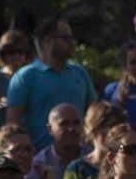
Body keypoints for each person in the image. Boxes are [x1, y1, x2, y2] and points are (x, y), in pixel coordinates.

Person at [6, 19, 98, 151]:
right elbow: (13, 121)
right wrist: (25, 152)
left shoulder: (80, 73)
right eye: (66, 38)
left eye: (71, 38)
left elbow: (94, 112)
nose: (72, 43)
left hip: (79, 156)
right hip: (39, 157)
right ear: (49, 41)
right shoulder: (26, 76)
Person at [63, 102, 127, 179]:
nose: (110, 132)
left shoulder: (129, 164)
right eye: (104, 126)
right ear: (92, 128)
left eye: (114, 126)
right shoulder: (77, 168)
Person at [32, 104, 86, 179]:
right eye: (64, 123)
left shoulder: (93, 158)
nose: (71, 128)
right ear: (50, 129)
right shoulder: (39, 165)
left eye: (76, 123)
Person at [0, 29, 32, 136]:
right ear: (3, 54)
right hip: (1, 134)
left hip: (26, 134)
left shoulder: (31, 76)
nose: (16, 56)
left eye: (20, 52)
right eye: (11, 52)